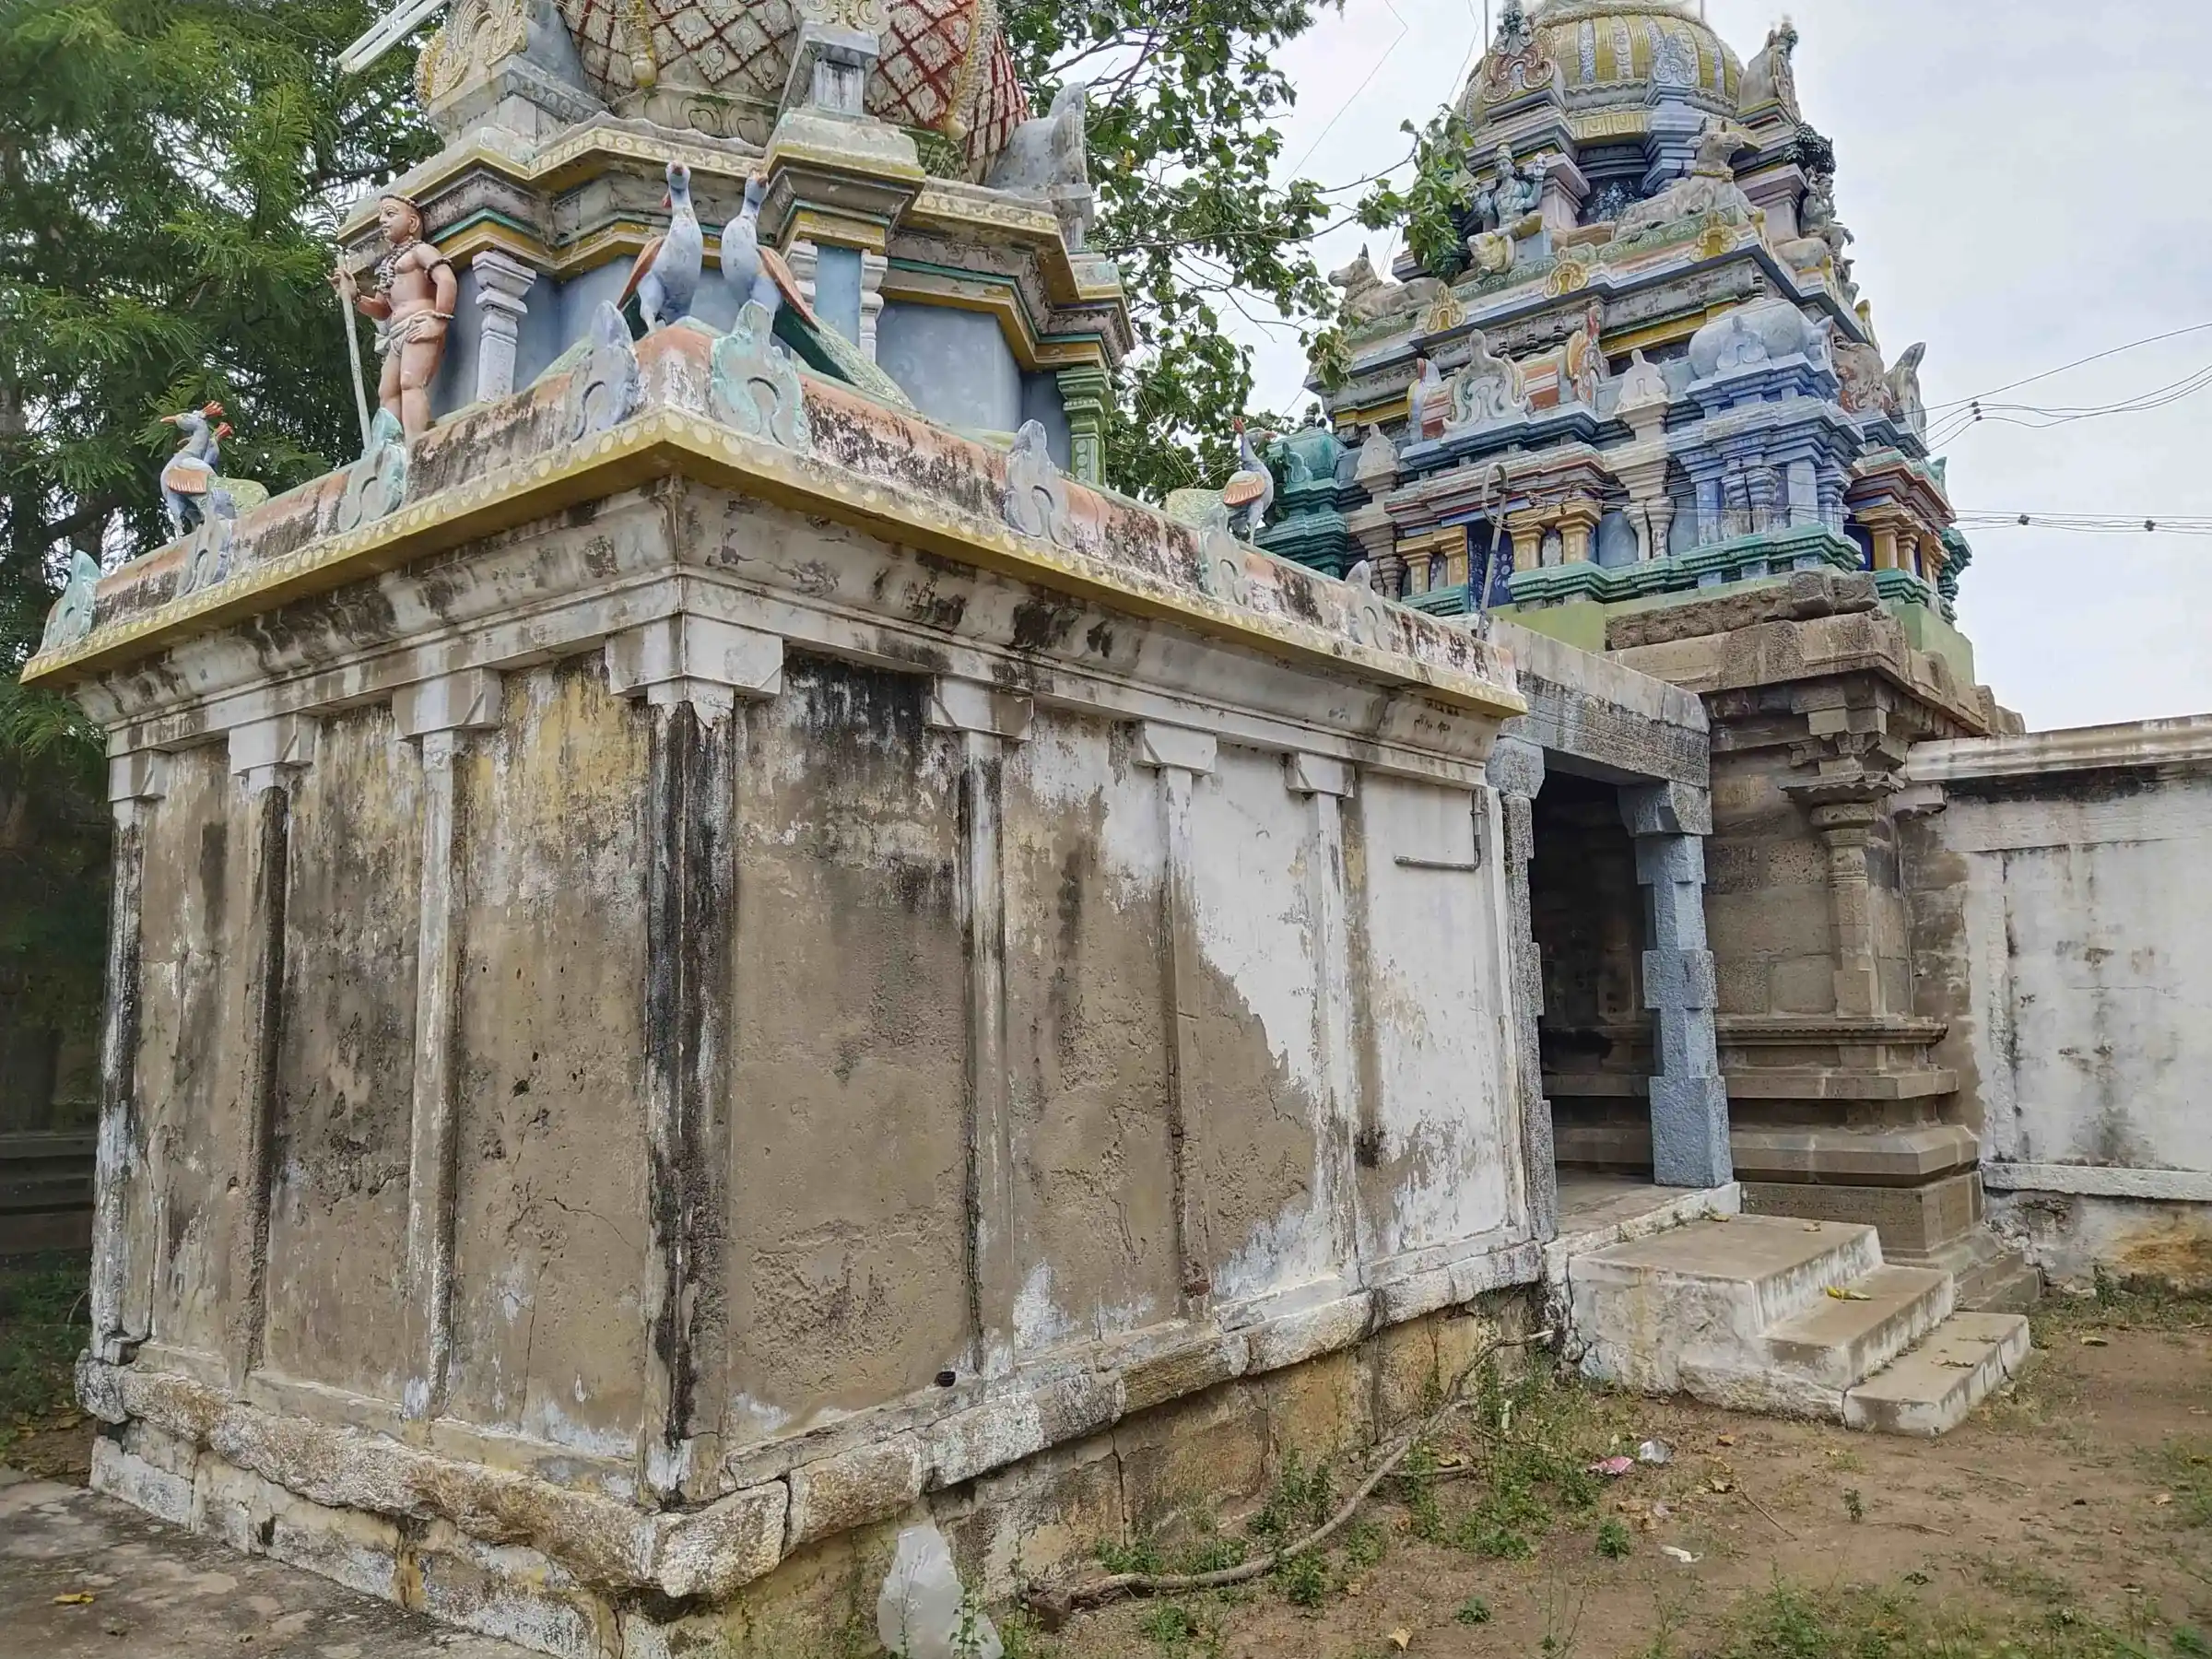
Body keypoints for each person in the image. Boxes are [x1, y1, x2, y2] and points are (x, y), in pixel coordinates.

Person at [331, 194, 456, 441]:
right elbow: (381, 309)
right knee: (387, 392)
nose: (383, 221)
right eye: (381, 217)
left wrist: (439, 319)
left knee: (410, 383)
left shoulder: (421, 251)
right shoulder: (388, 264)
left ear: (412, 223)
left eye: (390, 214)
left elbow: (446, 279)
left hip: (420, 323)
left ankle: (415, 444)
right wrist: (355, 296)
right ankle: (392, 448)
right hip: (396, 333)